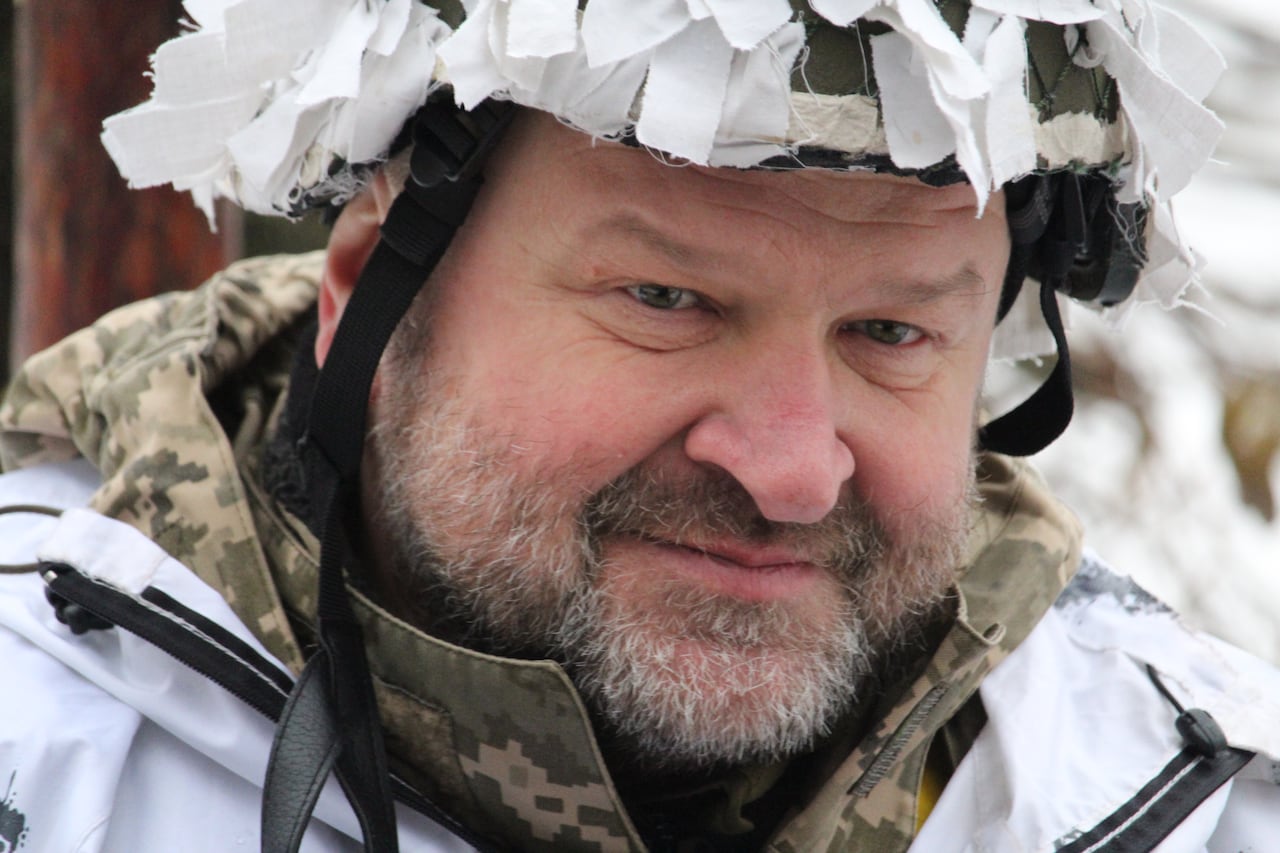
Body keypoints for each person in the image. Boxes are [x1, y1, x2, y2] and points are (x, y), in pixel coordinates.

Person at [1, 0, 1277, 850]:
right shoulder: (43, 759)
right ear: (364, 297)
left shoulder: (1191, 809)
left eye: (889, 334)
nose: (788, 471)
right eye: (666, 300)